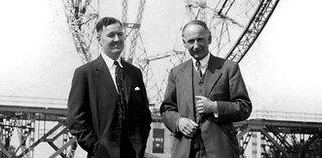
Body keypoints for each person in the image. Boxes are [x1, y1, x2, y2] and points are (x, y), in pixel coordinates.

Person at [160, 20, 252, 158]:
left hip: (220, 151)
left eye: (200, 40)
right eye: (191, 41)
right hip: (185, 152)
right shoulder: (176, 73)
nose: (196, 46)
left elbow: (244, 107)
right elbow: (167, 109)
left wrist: (215, 107)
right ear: (184, 43)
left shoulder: (229, 68)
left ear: (209, 39)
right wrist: (179, 121)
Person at [67, 16, 152, 158]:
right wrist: (97, 148)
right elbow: (76, 120)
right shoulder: (85, 74)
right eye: (111, 35)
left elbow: (144, 116)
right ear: (99, 39)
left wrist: (140, 146)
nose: (117, 39)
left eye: (120, 34)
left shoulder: (135, 73)